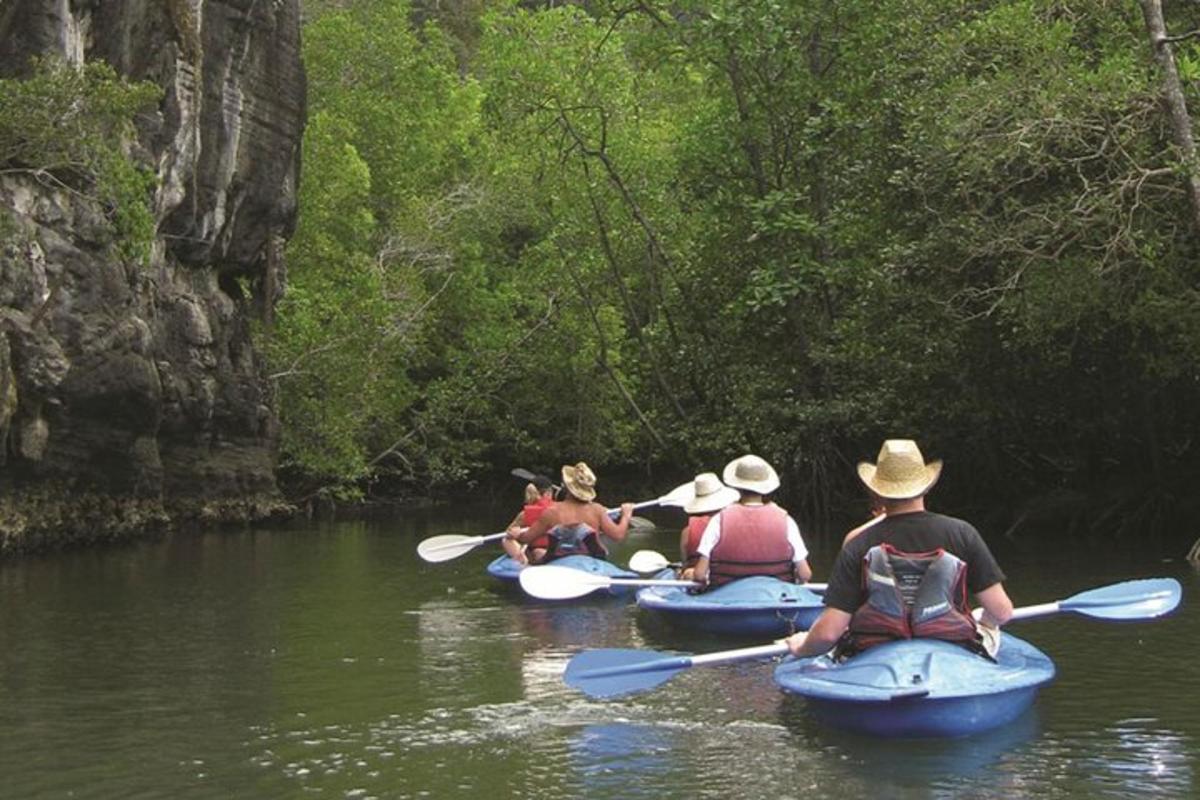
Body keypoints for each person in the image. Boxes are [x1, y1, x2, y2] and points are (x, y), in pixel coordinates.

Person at [785, 439, 1013, 661]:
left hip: (874, 655)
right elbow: (1002, 612)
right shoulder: (963, 533)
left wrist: (802, 647)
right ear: (926, 487)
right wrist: (986, 621)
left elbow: (827, 634)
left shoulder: (858, 544)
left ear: (877, 494)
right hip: (952, 650)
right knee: (987, 621)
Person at [691, 454, 813, 588]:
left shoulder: (718, 520)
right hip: (777, 596)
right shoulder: (787, 521)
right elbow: (804, 574)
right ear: (765, 488)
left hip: (726, 595)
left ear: (736, 487)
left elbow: (700, 574)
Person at [506, 462, 635, 563]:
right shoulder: (597, 509)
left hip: (558, 561)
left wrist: (517, 534)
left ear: (566, 488)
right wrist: (626, 515)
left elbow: (528, 538)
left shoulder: (552, 512)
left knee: (535, 554)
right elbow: (618, 535)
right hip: (591, 560)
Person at [677, 473, 740, 580]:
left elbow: (685, 565)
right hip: (726, 579)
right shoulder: (735, 525)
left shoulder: (687, 532)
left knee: (685, 573)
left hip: (700, 583)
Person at [502, 475, 556, 565]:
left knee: (506, 540)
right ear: (548, 493)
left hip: (536, 551)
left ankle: (523, 561)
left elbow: (509, 533)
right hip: (555, 552)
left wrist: (518, 534)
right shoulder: (559, 510)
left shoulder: (524, 514)